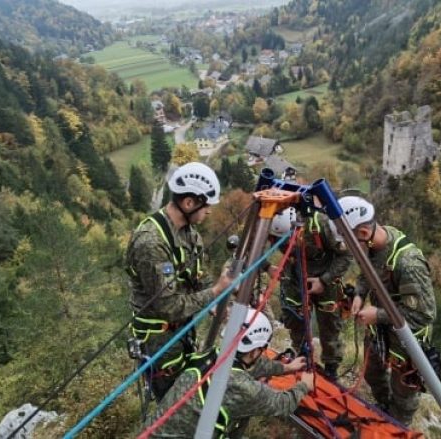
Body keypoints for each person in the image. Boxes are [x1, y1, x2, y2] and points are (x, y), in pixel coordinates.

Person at [125, 162, 232, 401]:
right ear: (189, 203)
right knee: (174, 402)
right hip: (159, 341)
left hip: (181, 331)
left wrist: (211, 303)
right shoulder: (151, 243)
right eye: (206, 206)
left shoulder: (188, 233)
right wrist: (215, 292)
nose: (210, 212)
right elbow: (168, 306)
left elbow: (197, 277)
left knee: (190, 390)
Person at [333, 196, 436, 425]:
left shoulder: (408, 263)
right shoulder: (372, 246)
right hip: (381, 329)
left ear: (362, 233)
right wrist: (360, 293)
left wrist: (377, 315)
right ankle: (383, 406)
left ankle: (398, 424)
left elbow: (424, 314)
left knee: (403, 394)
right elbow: (367, 273)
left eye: (350, 242)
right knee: (372, 372)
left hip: (407, 341)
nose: (349, 249)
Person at [151, 308, 314, 438]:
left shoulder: (212, 355)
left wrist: (286, 368)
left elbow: (254, 365)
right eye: (262, 350)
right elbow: (283, 404)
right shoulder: (243, 387)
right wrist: (304, 386)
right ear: (255, 351)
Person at [269, 207, 352, 379]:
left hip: (326, 277)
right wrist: (267, 267)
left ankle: (331, 368)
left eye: (288, 240)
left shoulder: (321, 224)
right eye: (281, 242)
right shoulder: (268, 223)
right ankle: (302, 358)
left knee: (329, 324)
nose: (285, 245)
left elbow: (346, 255)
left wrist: (324, 280)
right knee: (295, 319)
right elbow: (248, 251)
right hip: (295, 276)